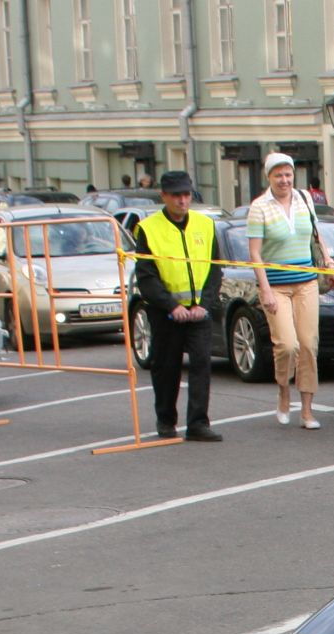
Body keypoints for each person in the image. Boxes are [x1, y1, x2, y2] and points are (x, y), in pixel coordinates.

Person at [247, 151, 334, 430]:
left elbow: (315, 234)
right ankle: (284, 389)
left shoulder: (305, 199)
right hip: (276, 285)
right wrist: (266, 290)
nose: (284, 180)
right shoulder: (259, 207)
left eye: (288, 174)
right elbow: (254, 253)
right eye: (278, 175)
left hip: (306, 281)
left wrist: (329, 261)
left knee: (309, 344)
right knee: (287, 345)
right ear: (269, 177)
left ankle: (307, 410)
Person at [132, 171, 223, 442]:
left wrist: (204, 304)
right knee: (166, 367)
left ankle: (197, 423)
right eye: (176, 196)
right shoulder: (149, 229)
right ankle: (166, 420)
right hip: (166, 313)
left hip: (198, 312)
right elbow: (146, 277)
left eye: (186, 195)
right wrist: (171, 306)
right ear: (164, 196)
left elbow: (214, 270)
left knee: (201, 366)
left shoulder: (205, 225)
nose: (183, 201)